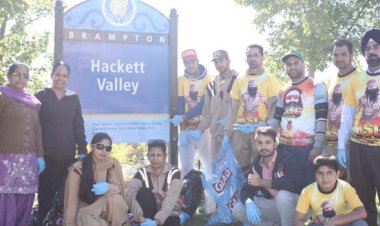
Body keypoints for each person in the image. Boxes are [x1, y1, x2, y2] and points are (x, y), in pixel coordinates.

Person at [337, 28, 380, 226]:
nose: (372, 51)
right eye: (368, 48)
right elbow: (348, 116)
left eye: (376, 46)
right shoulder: (357, 80)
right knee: (363, 201)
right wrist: (340, 145)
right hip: (358, 148)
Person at [36, 61, 88, 222]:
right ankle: (41, 221)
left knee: (64, 195)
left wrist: (83, 151)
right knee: (45, 195)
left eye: (64, 75)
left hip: (66, 155)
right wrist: (36, 153)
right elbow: (34, 126)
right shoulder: (41, 95)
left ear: (68, 78)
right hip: (45, 155)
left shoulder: (73, 98)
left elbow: (79, 126)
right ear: (52, 75)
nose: (61, 78)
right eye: (58, 74)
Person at [268, 50, 328, 185]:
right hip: (284, 148)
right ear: (285, 68)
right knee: (287, 188)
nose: (292, 66)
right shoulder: (282, 91)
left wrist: (317, 146)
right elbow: (276, 119)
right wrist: (260, 128)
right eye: (288, 64)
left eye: (296, 63)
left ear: (304, 64)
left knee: (310, 188)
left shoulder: (316, 85)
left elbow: (322, 118)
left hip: (307, 148)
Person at [223, 44, 280, 175]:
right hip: (240, 131)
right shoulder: (239, 81)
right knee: (239, 168)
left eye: (256, 55)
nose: (252, 58)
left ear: (262, 58)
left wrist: (271, 132)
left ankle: (258, 194)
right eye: (249, 55)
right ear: (246, 59)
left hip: (260, 132)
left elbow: (273, 109)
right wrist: (227, 133)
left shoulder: (270, 80)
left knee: (260, 166)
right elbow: (233, 108)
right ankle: (241, 194)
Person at [232, 126, 306, 226]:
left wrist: (261, 182)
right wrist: (248, 201)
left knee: (283, 196)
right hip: (273, 204)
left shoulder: (287, 158)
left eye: (267, 142)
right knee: (238, 209)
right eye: (260, 143)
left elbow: (293, 184)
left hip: (296, 207)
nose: (263, 147)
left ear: (275, 144)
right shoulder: (256, 164)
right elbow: (247, 189)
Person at [0, 63, 45, 225]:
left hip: (28, 161)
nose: (21, 78)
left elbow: (37, 130)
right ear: (9, 76)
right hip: (6, 159)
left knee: (25, 198)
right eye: (18, 74)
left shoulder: (32, 101)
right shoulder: (3, 96)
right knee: (6, 198)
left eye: (25, 76)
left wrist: (40, 156)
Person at [63, 132, 129, 226]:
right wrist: (70, 223)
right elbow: (72, 201)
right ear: (92, 147)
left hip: (105, 206)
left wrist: (108, 187)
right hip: (87, 210)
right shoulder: (78, 168)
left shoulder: (112, 164)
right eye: (100, 147)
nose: (104, 151)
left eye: (107, 148)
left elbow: (119, 188)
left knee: (116, 199)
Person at [169, 49, 212, 177]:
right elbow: (181, 103)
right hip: (187, 129)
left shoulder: (209, 79)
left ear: (197, 61)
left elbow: (203, 105)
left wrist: (184, 116)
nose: (190, 65)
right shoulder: (181, 80)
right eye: (186, 63)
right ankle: (186, 195)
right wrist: (182, 131)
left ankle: (211, 196)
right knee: (186, 167)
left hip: (204, 129)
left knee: (209, 165)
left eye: (192, 62)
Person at [294, 155, 367, 226]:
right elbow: (297, 221)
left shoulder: (345, 187)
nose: (325, 178)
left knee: (360, 224)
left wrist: (334, 222)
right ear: (315, 175)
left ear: (337, 174)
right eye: (320, 173)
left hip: (344, 223)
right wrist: (306, 223)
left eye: (330, 173)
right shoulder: (307, 191)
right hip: (320, 224)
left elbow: (362, 212)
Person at [325, 39, 360, 179]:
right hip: (331, 143)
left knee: (353, 188)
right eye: (336, 55)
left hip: (352, 143)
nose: (339, 58)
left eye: (343, 54)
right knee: (332, 189)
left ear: (351, 55)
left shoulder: (360, 78)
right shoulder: (330, 81)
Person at [126, 139, 182, 226]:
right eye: (152, 155)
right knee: (144, 192)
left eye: (159, 155)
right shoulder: (142, 172)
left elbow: (171, 199)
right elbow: (129, 193)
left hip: (169, 214)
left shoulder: (174, 172)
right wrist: (139, 216)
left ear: (165, 156)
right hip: (148, 214)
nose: (155, 158)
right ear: (148, 156)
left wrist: (157, 221)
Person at [195, 50, 238, 161]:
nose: (218, 64)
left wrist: (230, 127)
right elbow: (207, 112)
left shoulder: (237, 80)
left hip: (235, 135)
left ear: (228, 61)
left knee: (235, 171)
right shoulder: (211, 84)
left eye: (221, 61)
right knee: (217, 169)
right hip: (216, 135)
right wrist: (200, 130)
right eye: (216, 62)